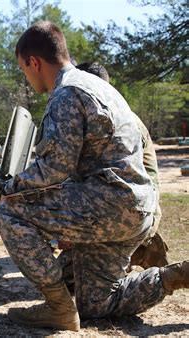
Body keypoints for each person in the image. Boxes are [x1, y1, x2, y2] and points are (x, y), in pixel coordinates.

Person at [0, 21, 188, 331]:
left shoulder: (66, 93)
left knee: (10, 212)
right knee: (95, 304)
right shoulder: (99, 86)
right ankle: (175, 276)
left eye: (24, 70)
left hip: (110, 204)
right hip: (135, 210)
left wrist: (10, 187)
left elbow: (54, 169)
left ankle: (58, 308)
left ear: (34, 62)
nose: (27, 77)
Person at [55, 62, 170, 292]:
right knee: (64, 277)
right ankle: (132, 247)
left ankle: (140, 248)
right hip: (131, 209)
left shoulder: (114, 120)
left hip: (130, 213)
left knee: (71, 284)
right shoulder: (113, 113)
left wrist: (71, 231)